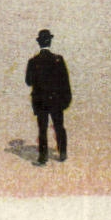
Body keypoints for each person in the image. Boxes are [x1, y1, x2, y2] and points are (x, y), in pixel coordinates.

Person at [24, 28, 71, 165]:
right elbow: (65, 82)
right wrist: (66, 100)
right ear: (50, 42)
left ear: (39, 43)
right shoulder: (58, 59)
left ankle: (43, 156)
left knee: (42, 128)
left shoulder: (33, 61)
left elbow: (28, 82)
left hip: (40, 101)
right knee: (59, 126)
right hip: (56, 100)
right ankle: (62, 153)